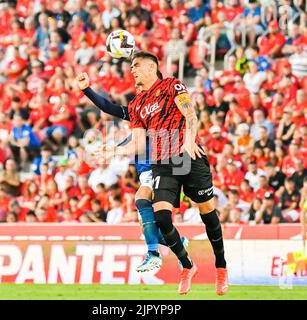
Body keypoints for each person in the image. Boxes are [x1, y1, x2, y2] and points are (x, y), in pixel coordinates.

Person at [97, 51, 228, 295]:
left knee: (207, 212)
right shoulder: (136, 105)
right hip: (162, 162)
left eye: (136, 65)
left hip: (189, 157)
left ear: (151, 67)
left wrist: (189, 140)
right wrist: (113, 151)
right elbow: (137, 143)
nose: (132, 70)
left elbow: (190, 113)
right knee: (162, 217)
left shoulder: (171, 85)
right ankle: (187, 266)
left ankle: (221, 267)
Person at [76, 71, 188, 273]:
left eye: (142, 84)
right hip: (147, 173)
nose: (138, 88)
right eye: (136, 86)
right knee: (146, 224)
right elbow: (108, 107)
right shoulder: (137, 114)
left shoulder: (164, 109)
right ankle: (179, 244)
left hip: (165, 167)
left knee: (141, 200)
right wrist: (86, 90)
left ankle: (153, 255)